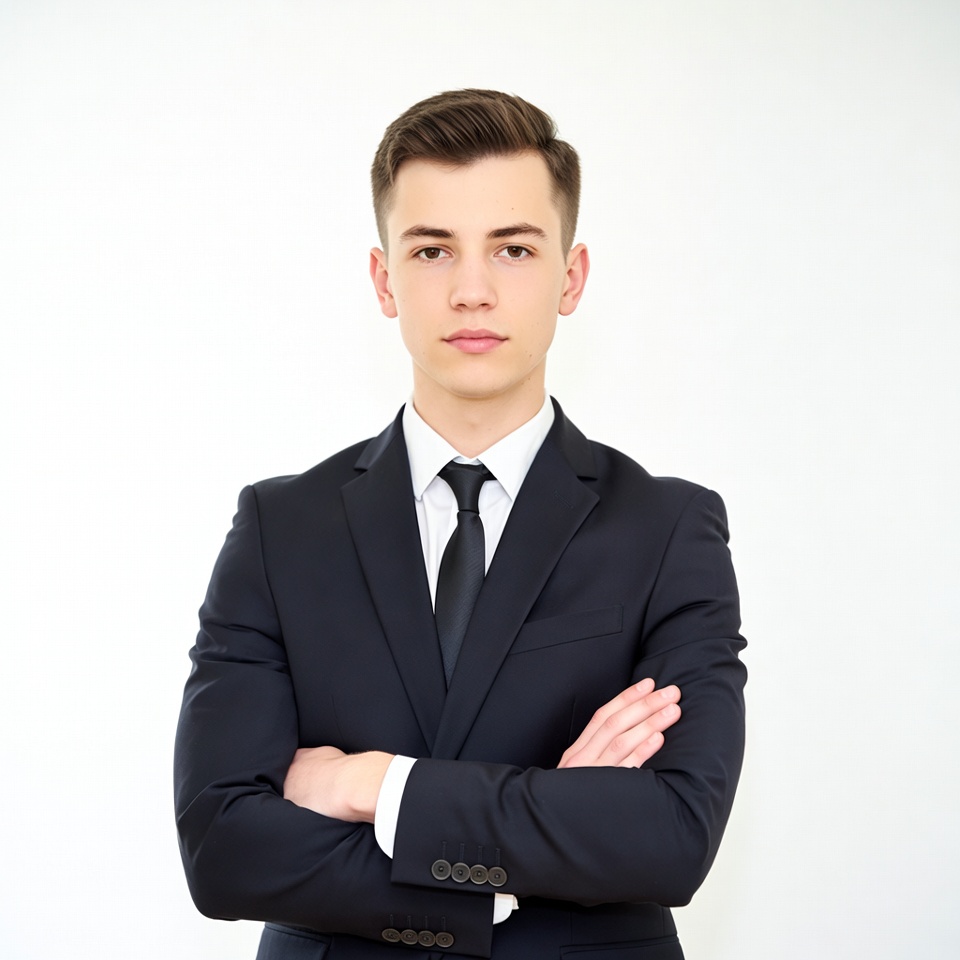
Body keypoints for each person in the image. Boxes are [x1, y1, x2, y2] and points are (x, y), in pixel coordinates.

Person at [174, 88, 747, 960]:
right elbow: (224, 848)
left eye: (513, 249)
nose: (472, 291)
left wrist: (375, 784)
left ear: (570, 277)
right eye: (433, 250)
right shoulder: (279, 527)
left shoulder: (668, 529)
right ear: (385, 280)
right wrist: (534, 843)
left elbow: (671, 835)